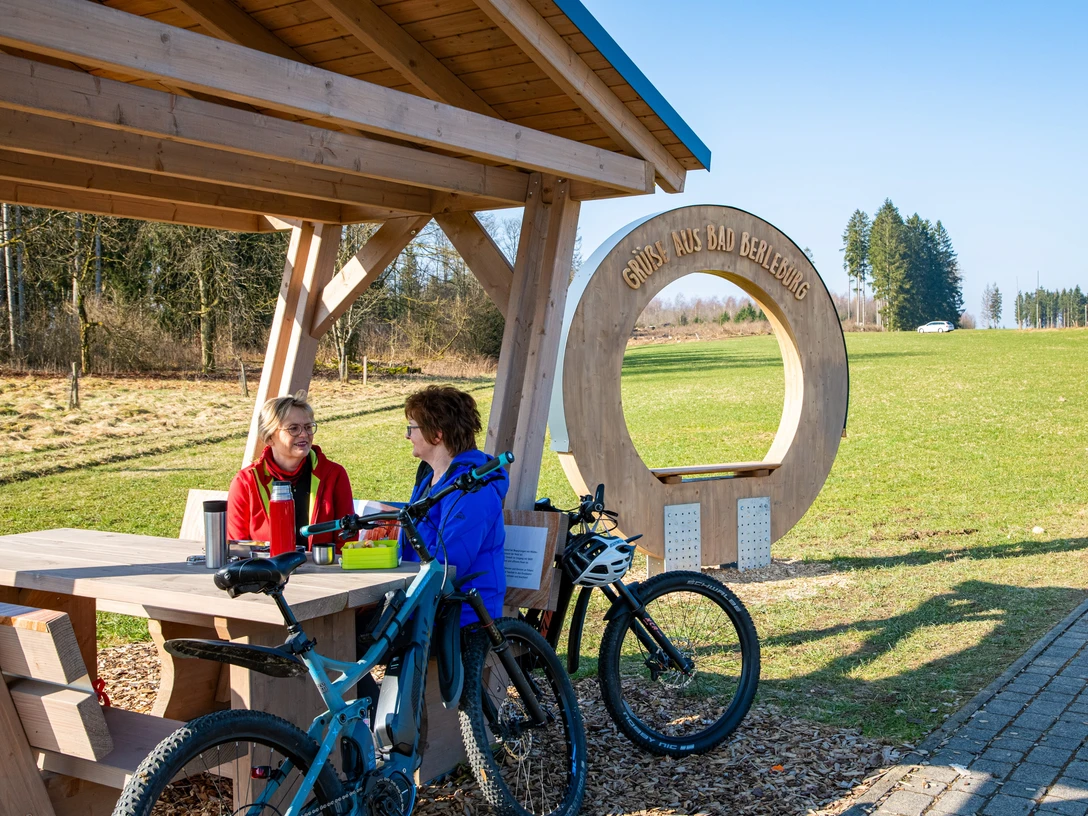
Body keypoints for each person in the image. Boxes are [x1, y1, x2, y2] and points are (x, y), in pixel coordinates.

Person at [401, 385, 507, 627]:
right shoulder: (432, 477)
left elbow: (451, 562)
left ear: (436, 435)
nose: (407, 436)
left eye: (412, 428)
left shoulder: (472, 490)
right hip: (430, 604)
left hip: (462, 615)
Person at [228, 392, 356, 551]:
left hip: (324, 570)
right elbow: (237, 547)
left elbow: (347, 539)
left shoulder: (334, 474)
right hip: (265, 573)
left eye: (308, 427)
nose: (304, 434)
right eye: (293, 428)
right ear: (269, 438)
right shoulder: (246, 481)